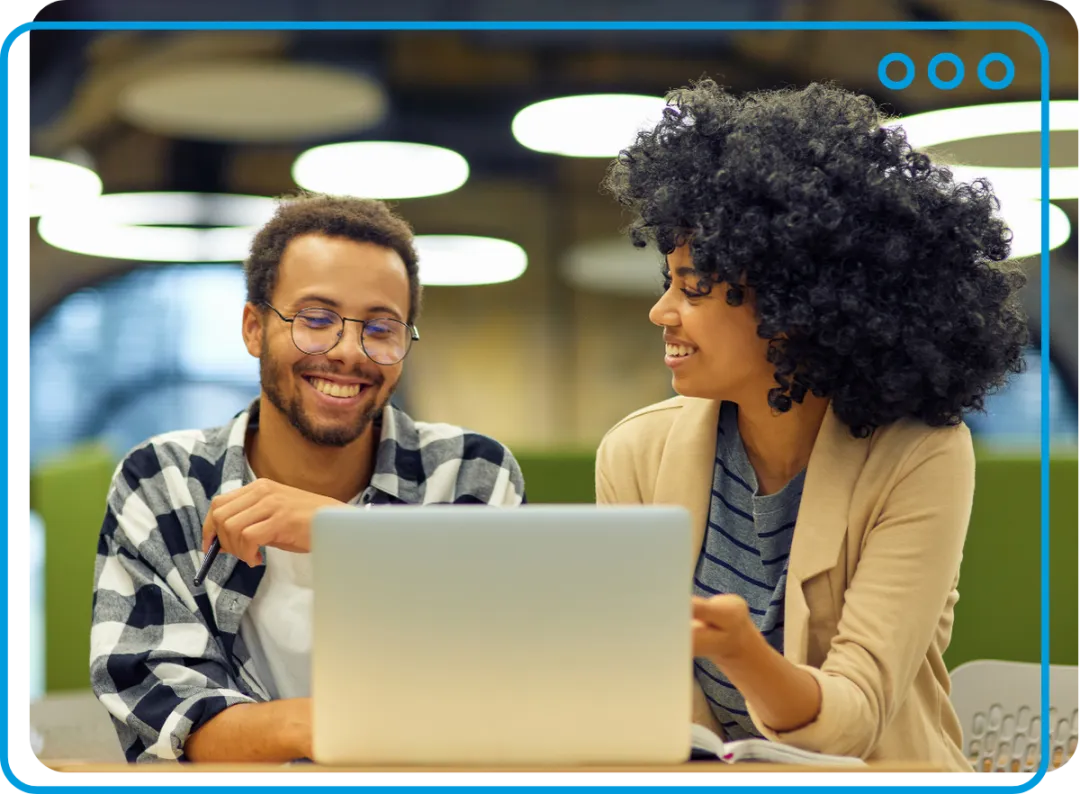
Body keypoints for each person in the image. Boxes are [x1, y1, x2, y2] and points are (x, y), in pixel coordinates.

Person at [596, 80, 1028, 774]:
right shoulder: (636, 454)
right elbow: (643, 696)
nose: (662, 312)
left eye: (693, 287)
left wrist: (741, 652)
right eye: (667, 281)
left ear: (794, 304)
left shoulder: (919, 455)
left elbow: (853, 719)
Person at [90, 193, 527, 763]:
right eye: (316, 320)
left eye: (381, 328)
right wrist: (322, 727)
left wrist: (343, 533)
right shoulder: (164, 482)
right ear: (253, 327)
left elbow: (497, 674)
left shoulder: (468, 472)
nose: (348, 352)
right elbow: (168, 720)